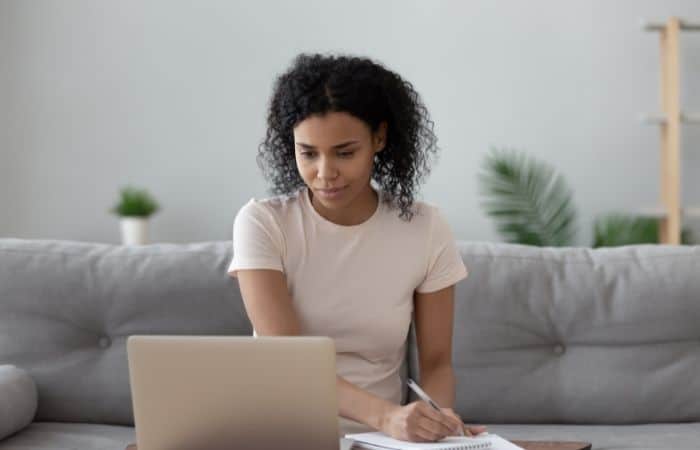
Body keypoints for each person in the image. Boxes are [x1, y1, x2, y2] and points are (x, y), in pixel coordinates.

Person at [227, 53, 487, 442]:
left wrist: (439, 423)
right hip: (280, 433)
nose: (325, 173)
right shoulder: (263, 223)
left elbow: (435, 364)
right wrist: (388, 417)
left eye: (345, 152)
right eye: (308, 153)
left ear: (379, 138)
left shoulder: (425, 228)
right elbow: (288, 359)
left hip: (384, 442)